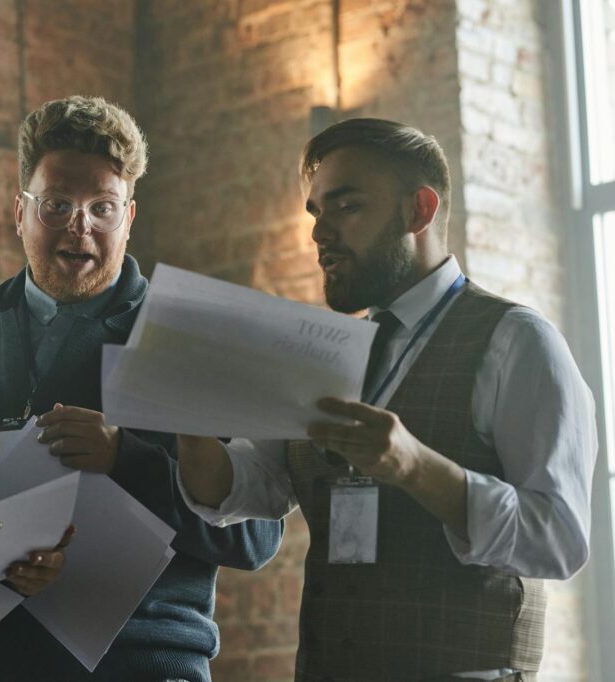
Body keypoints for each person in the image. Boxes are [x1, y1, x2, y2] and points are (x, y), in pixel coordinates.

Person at [176, 117, 597, 680]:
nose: (319, 234)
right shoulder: (323, 352)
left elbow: (560, 538)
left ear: (419, 210)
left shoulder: (517, 341)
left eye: (345, 208)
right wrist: (182, 407)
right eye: (316, 213)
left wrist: (414, 465)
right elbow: (248, 486)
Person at [0, 95, 283, 682]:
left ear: (129, 218)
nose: (80, 226)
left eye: (102, 208)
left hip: (142, 667)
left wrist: (124, 460)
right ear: (19, 211)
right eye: (57, 204)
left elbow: (257, 538)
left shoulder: (193, 339)